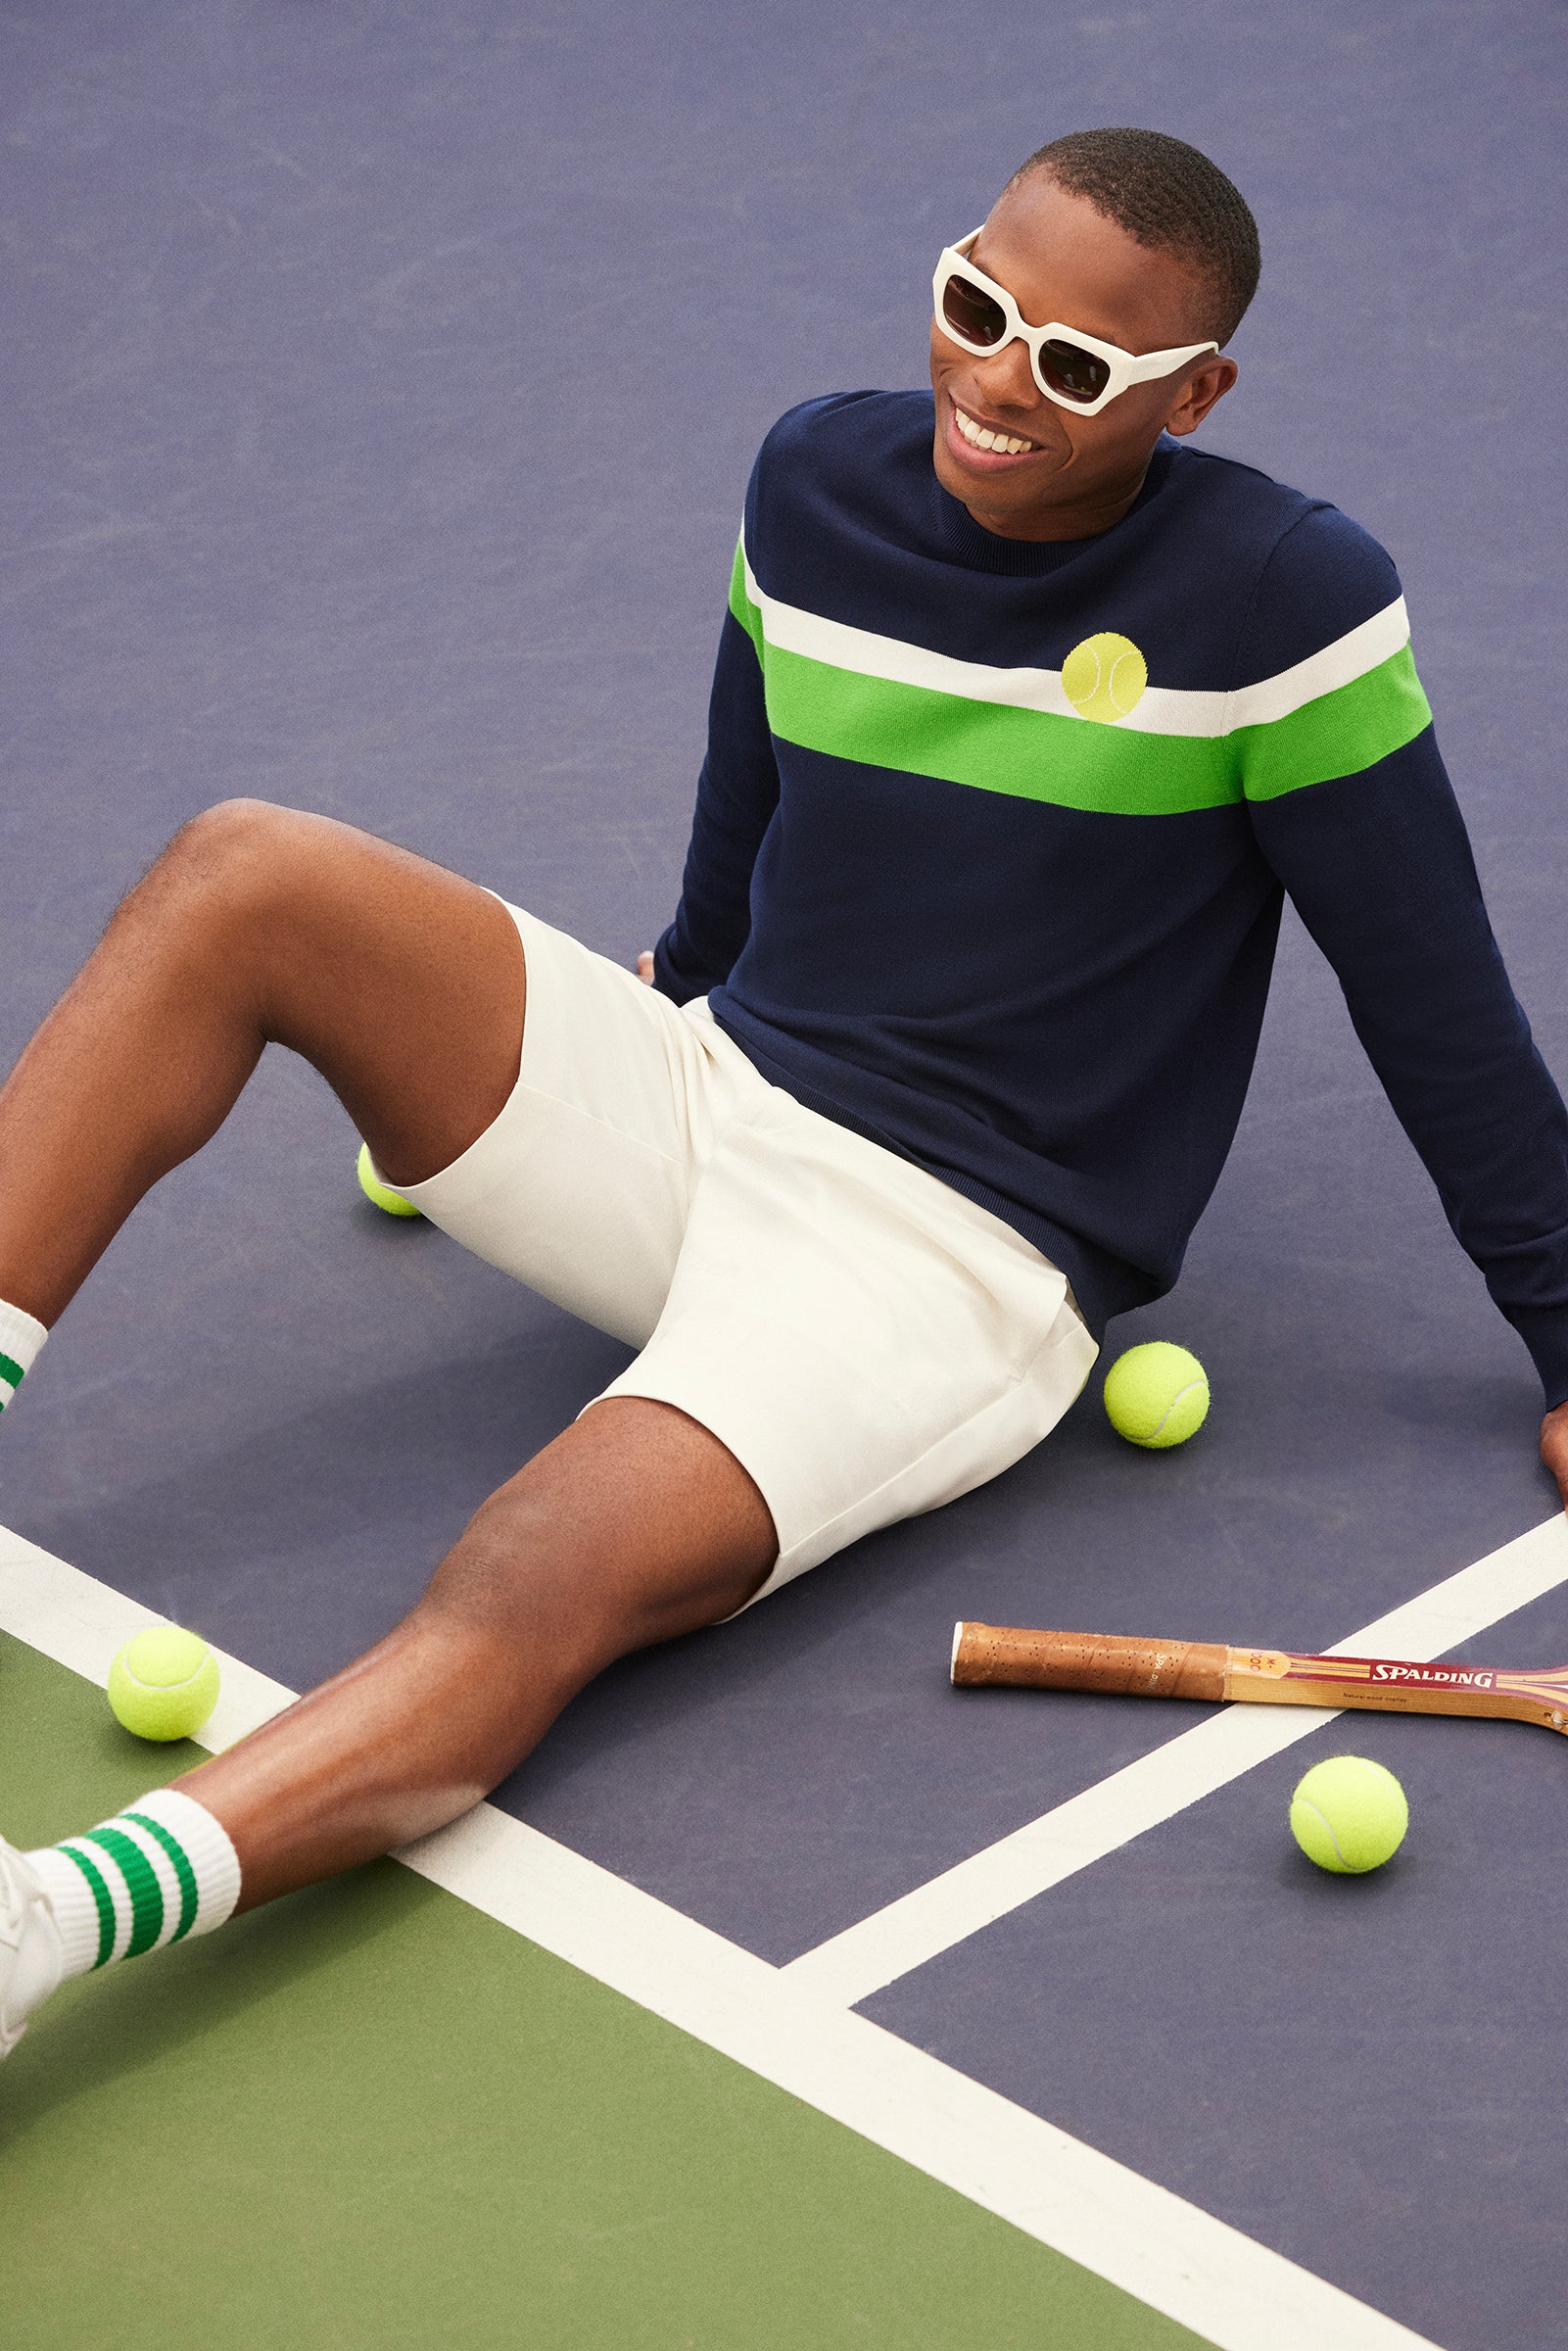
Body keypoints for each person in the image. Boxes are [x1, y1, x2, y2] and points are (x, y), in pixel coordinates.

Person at [5, 126, 1567, 2055]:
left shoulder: (1285, 602)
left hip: (947, 1262)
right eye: (977, 306)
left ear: (1196, 394)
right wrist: (687, 960)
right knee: (246, 873)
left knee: (537, 1564)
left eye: (1075, 367)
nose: (997, 380)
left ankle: (38, 1935)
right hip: (711, 1094)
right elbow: (758, 758)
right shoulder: (814, 472)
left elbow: (1437, 999)